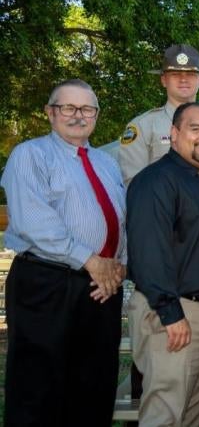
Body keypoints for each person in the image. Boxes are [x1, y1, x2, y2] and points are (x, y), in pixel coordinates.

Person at [1, 79, 126, 427]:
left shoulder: (107, 163)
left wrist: (117, 269)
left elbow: (120, 218)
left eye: (87, 109)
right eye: (68, 107)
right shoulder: (30, 154)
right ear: (50, 112)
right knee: (38, 388)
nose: (78, 116)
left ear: (96, 115)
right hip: (47, 283)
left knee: (94, 386)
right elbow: (34, 222)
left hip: (101, 288)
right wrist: (91, 261)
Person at [126, 102, 199, 426]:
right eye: (196, 129)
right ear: (174, 134)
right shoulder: (155, 181)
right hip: (172, 312)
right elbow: (148, 252)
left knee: (197, 413)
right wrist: (170, 313)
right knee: (165, 413)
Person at [118, 43, 199, 185]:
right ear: (164, 80)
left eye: (190, 74)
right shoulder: (142, 126)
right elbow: (133, 184)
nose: (183, 79)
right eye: (175, 74)